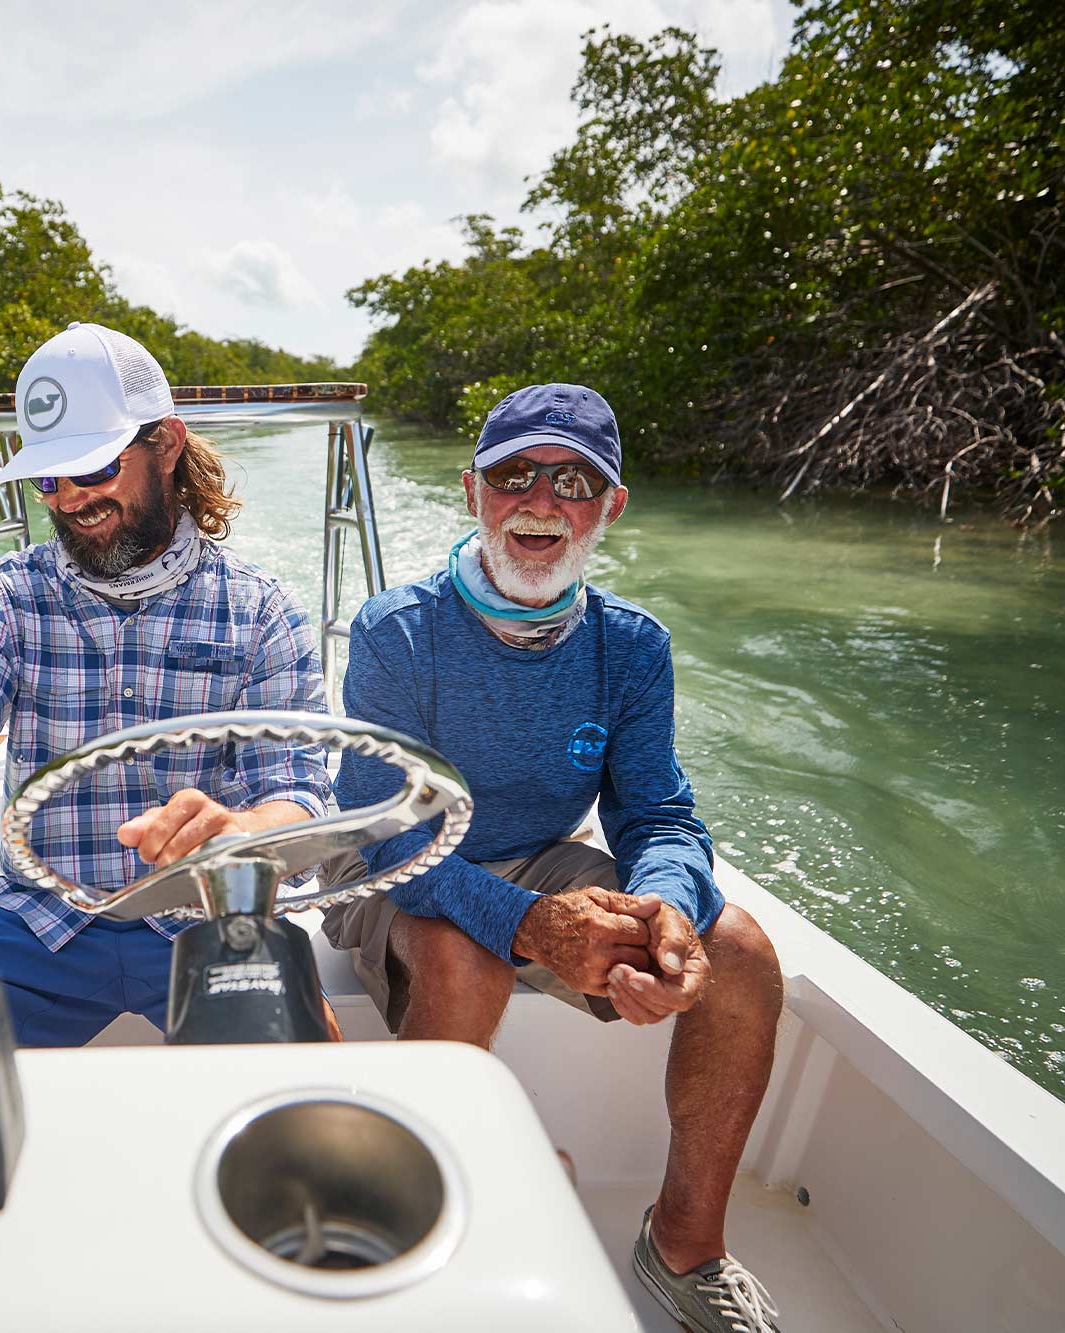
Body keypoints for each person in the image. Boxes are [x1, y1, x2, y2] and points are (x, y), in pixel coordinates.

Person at [324, 383, 786, 1333]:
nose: (541, 499)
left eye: (573, 479)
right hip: (393, 870)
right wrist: (531, 924)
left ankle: (684, 1245)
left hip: (540, 857)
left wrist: (662, 904)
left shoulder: (632, 648)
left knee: (737, 947)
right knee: (462, 948)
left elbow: (658, 813)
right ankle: (421, 1241)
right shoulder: (393, 633)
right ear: (473, 493)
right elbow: (385, 834)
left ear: (609, 506)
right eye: (515, 474)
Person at [0, 322, 331, 1047]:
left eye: (96, 467)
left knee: (312, 1084)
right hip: (36, 928)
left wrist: (239, 832)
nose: (73, 497)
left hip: (206, 922)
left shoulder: (264, 611)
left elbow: (297, 795)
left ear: (166, 445)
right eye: (50, 477)